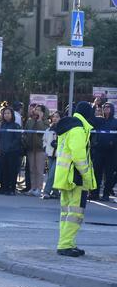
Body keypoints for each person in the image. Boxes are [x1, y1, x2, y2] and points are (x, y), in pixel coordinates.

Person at [53, 101, 97, 257]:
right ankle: (65, 245)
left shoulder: (68, 127)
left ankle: (66, 243)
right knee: (75, 214)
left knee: (66, 213)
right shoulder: (79, 129)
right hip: (76, 178)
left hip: (65, 177)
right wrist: (87, 178)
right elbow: (79, 156)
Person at [23, 104, 48, 197]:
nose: (36, 111)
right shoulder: (30, 121)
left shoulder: (45, 122)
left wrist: (40, 120)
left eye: (39, 110)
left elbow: (43, 131)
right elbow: (26, 132)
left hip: (40, 148)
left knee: (39, 169)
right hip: (30, 147)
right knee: (32, 169)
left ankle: (39, 188)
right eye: (35, 109)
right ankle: (33, 188)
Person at [0, 107, 22, 196]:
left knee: (12, 170)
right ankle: (4, 187)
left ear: (12, 115)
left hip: (13, 152)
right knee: (4, 170)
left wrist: (10, 147)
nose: (6, 115)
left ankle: (12, 189)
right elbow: (0, 137)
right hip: (3, 151)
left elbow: (17, 139)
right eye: (5, 113)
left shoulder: (15, 126)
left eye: (8, 113)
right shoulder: (2, 125)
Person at [94, 102, 117, 201]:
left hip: (111, 152)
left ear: (112, 109)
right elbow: (90, 118)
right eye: (104, 107)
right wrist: (94, 105)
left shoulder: (115, 122)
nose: (106, 108)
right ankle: (94, 194)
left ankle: (106, 194)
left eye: (108, 107)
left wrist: (113, 142)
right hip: (99, 150)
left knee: (109, 175)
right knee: (96, 173)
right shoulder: (99, 120)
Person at [42, 110, 61, 199]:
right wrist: (45, 149)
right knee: (51, 173)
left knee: (52, 174)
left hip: (59, 155)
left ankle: (46, 191)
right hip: (50, 154)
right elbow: (44, 141)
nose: (55, 118)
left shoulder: (63, 130)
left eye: (57, 117)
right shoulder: (48, 130)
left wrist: (58, 144)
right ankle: (56, 192)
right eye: (54, 116)